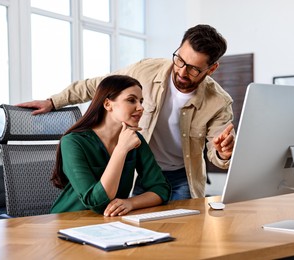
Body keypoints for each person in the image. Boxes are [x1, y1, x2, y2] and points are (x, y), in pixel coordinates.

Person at [18, 24, 235, 200]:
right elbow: (99, 85)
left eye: (194, 68)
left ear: (211, 69)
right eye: (179, 60)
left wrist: (222, 154)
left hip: (182, 176)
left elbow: (216, 154)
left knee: (186, 235)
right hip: (141, 170)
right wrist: (53, 102)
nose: (181, 71)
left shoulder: (218, 102)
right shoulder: (146, 70)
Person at [50, 75, 171, 216]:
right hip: (68, 221)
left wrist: (130, 203)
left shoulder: (134, 139)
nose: (141, 108)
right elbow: (97, 202)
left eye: (141, 101)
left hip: (110, 223)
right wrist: (121, 149)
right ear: (108, 104)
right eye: (131, 100)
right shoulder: (73, 142)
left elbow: (161, 189)